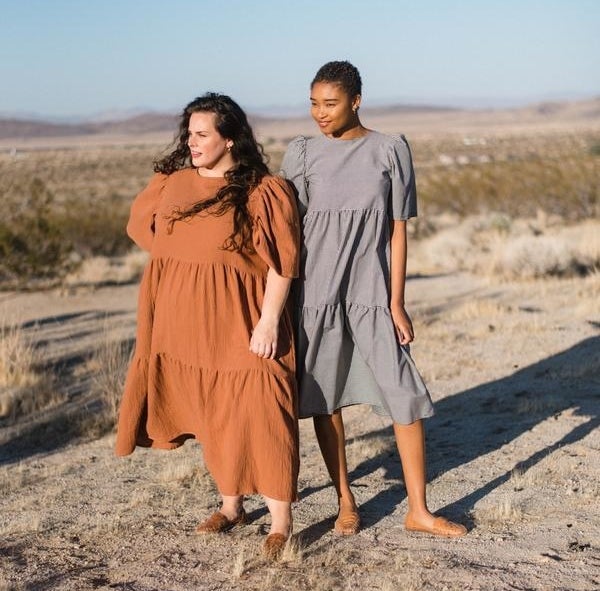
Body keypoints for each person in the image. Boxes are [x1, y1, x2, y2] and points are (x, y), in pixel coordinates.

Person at [281, 61, 467, 538]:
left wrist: (396, 300)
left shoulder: (389, 150)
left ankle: (419, 510)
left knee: (404, 395)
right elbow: (286, 232)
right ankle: (345, 499)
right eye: (313, 103)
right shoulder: (301, 154)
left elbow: (397, 232)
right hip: (315, 293)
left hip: (371, 292)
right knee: (326, 400)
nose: (319, 113)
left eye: (330, 103)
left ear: (356, 101)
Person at [115, 93, 301, 559]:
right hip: (183, 324)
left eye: (202, 135)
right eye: (189, 134)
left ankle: (280, 523)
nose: (192, 143)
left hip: (244, 323)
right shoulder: (172, 184)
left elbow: (283, 264)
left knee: (263, 408)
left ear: (230, 137)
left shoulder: (263, 190)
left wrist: (269, 321)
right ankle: (232, 506)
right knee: (212, 409)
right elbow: (148, 236)